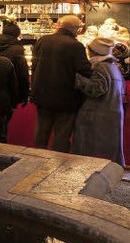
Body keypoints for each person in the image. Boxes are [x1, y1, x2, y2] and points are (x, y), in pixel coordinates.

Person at [31, 15, 92, 153]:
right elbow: (85, 70)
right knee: (62, 135)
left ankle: (36, 161)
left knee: (41, 133)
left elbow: (34, 65)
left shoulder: (43, 40)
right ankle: (58, 165)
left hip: (42, 95)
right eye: (78, 28)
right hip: (66, 97)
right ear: (74, 29)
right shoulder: (76, 45)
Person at [73, 36, 125, 164]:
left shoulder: (100, 67)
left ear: (93, 51)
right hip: (111, 111)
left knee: (91, 148)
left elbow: (97, 89)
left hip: (98, 113)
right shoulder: (112, 66)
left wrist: (77, 79)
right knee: (109, 147)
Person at [0, 21, 31, 107]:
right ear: (17, 34)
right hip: (10, 90)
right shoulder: (17, 49)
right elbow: (22, 73)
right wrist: (25, 94)